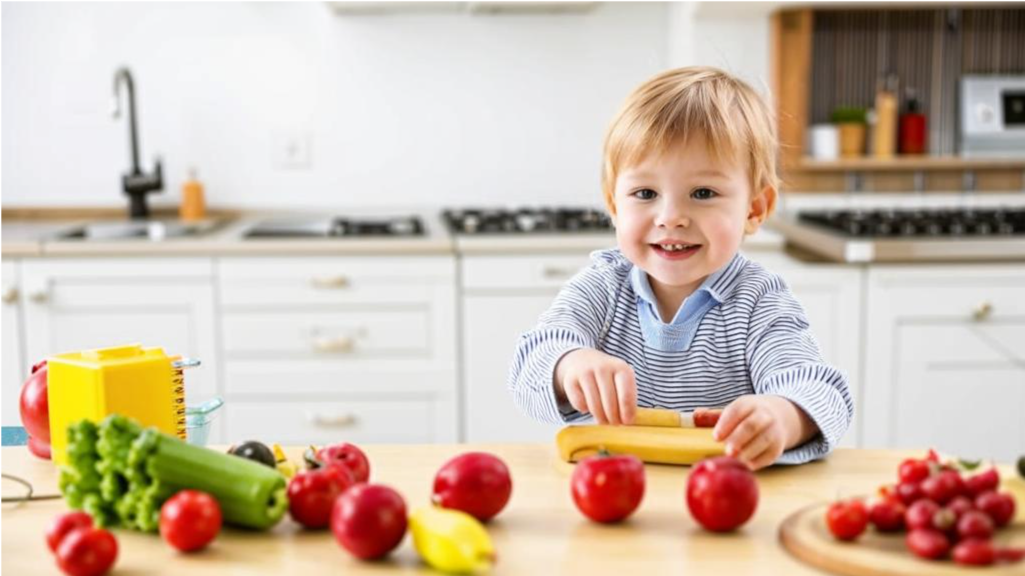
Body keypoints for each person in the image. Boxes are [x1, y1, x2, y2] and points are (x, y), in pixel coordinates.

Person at [508, 67, 853, 470]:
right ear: (615, 205)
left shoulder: (759, 301)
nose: (671, 217)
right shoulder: (603, 284)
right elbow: (531, 362)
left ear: (755, 209)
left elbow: (819, 391)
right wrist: (569, 365)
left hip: (723, 501)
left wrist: (784, 417)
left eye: (703, 193)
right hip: (609, 494)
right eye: (645, 193)